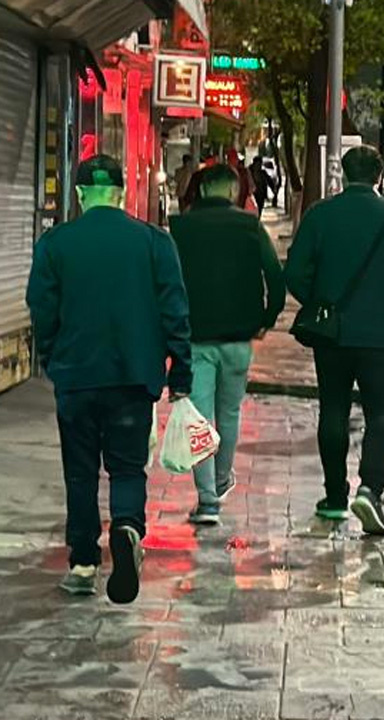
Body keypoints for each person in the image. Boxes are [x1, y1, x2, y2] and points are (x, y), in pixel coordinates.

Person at [25, 155, 192, 603]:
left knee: (80, 473)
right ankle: (126, 527)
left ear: (80, 195)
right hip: (134, 376)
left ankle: (82, 563)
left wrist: (51, 357)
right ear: (121, 193)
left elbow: (40, 307)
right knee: (126, 466)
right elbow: (175, 309)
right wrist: (182, 371)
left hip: (76, 376)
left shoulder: (56, 243)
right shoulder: (154, 242)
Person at [285, 146, 384, 535]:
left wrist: (318, 303)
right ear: (380, 177)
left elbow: (295, 271)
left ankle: (335, 496)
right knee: (381, 414)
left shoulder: (320, 215)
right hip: (380, 338)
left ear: (343, 174)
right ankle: (370, 488)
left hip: (331, 337)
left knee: (332, 409)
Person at [170, 164, 286, 525]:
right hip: (239, 339)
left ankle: (207, 501)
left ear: (203, 191)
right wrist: (266, 320)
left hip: (195, 339)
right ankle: (221, 480)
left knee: (200, 419)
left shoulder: (180, 228)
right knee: (230, 414)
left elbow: (166, 284)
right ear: (235, 191)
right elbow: (277, 282)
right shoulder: (251, 227)